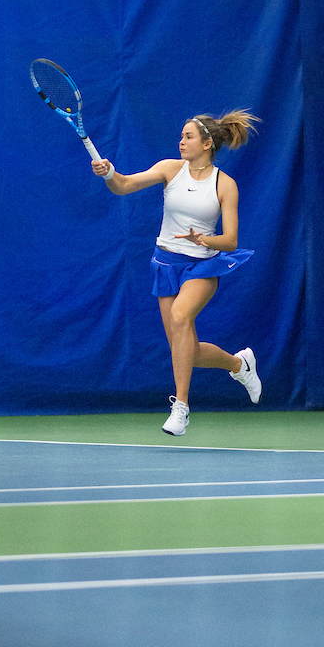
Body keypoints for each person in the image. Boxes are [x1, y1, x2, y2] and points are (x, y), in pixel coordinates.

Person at [91, 111, 261, 437]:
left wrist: (203, 239)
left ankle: (181, 407)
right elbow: (123, 185)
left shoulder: (225, 185)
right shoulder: (171, 169)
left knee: (182, 316)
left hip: (202, 266)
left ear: (208, 143)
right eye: (181, 136)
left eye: (189, 137)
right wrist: (109, 172)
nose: (181, 142)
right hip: (166, 263)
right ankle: (240, 365)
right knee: (187, 351)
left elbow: (231, 240)